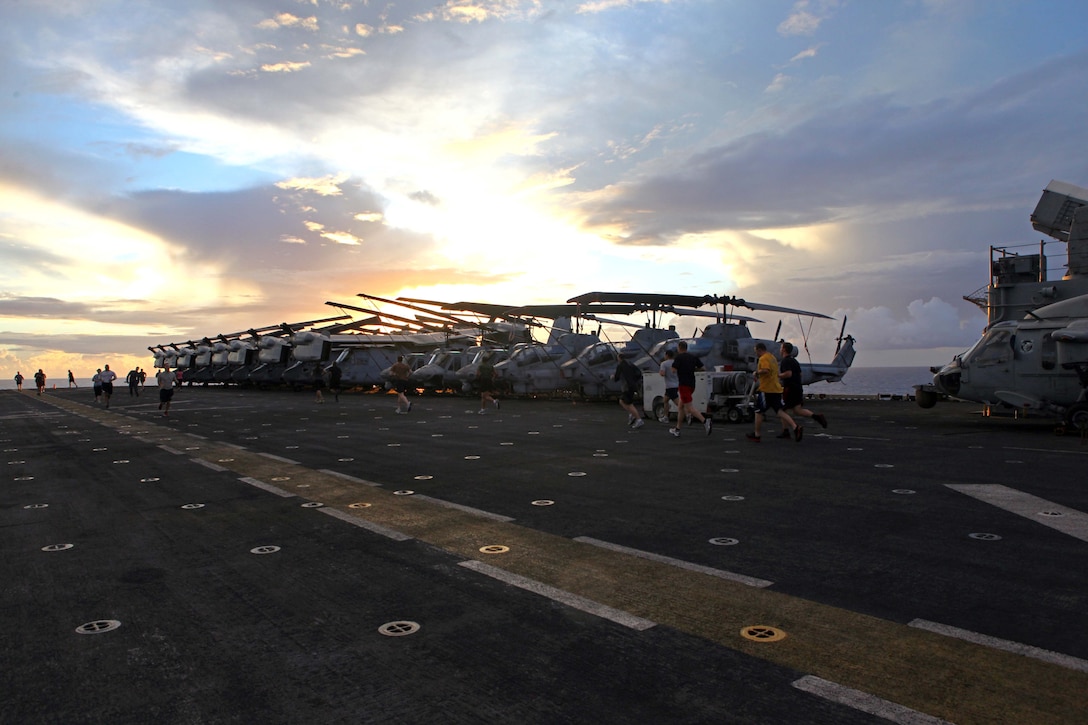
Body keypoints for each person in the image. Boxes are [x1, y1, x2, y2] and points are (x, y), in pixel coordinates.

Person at [746, 342, 799, 442]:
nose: (756, 354)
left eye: (756, 352)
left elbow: (766, 370)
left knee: (758, 411)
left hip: (767, 389)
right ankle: (795, 427)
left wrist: (757, 372)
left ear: (759, 350)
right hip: (776, 388)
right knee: (780, 411)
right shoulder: (772, 357)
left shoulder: (763, 358)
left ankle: (757, 435)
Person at [778, 341, 827, 438]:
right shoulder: (794, 361)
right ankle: (817, 417)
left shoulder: (785, 361)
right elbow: (800, 374)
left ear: (784, 349)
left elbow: (788, 374)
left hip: (790, 389)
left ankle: (789, 430)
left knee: (782, 411)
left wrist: (778, 375)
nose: (780, 349)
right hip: (798, 388)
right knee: (797, 410)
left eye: (781, 348)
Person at [671, 341, 711, 437]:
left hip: (683, 385)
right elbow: (703, 368)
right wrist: (692, 369)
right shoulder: (693, 357)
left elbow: (673, 370)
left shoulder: (678, 358)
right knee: (680, 406)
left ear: (679, 348)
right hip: (692, 385)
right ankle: (677, 429)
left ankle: (705, 421)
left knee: (689, 407)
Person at [613, 352, 644, 428]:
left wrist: (612, 376)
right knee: (623, 401)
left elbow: (616, 377)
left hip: (627, 386)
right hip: (633, 385)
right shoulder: (630, 364)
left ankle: (638, 419)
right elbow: (638, 373)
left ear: (619, 358)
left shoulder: (621, 365)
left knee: (628, 403)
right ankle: (632, 414)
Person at [658, 349, 679, 423]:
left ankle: (688, 413)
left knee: (678, 403)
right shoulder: (676, 362)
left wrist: (660, 372)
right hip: (676, 385)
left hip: (670, 386)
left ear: (666, 355)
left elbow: (662, 374)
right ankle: (666, 416)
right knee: (665, 400)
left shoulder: (664, 364)